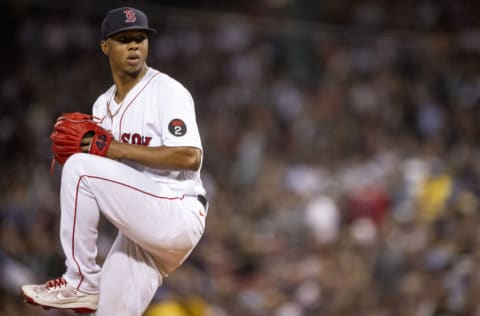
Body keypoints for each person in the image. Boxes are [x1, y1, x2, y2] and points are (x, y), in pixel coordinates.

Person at [21, 6, 208, 315]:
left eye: (140, 38)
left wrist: (114, 149)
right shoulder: (102, 105)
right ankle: (87, 286)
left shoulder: (167, 91)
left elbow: (189, 157)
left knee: (79, 168)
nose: (134, 45)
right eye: (124, 39)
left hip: (175, 210)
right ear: (105, 46)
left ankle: (79, 281)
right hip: (143, 231)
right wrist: (106, 154)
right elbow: (113, 173)